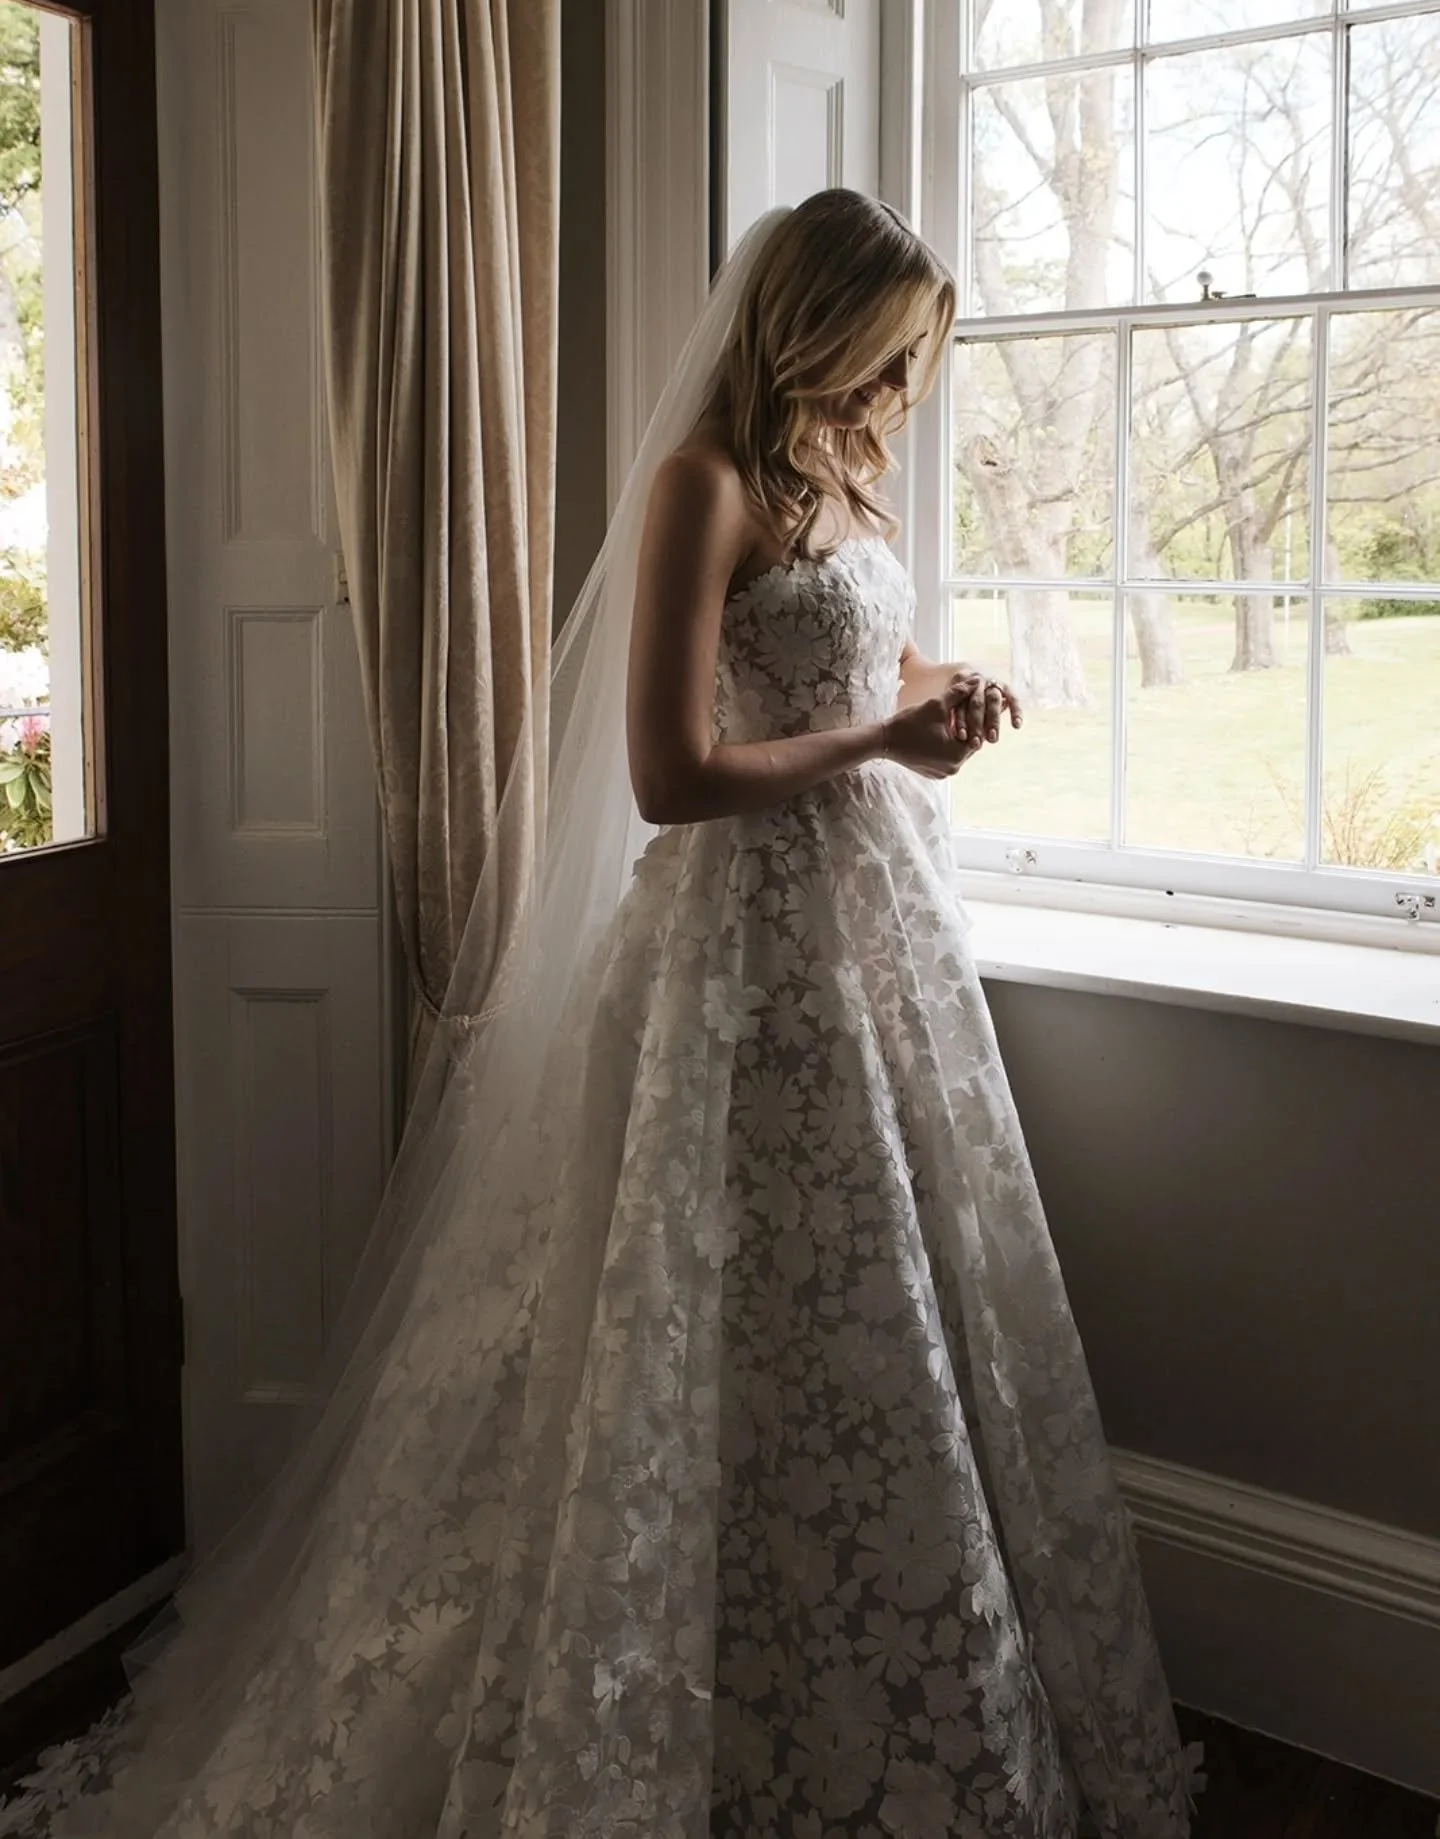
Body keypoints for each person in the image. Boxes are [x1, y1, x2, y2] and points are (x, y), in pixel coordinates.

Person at [1, 190, 1197, 1838]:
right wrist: (874, 747)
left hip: (875, 933)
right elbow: (669, 772)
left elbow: (857, 653)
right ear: (819, 319)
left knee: (886, 1303)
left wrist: (945, 689)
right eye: (893, 353)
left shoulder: (840, 470)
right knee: (682, 1303)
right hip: (742, 952)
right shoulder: (701, 482)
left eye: (918, 363)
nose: (907, 391)